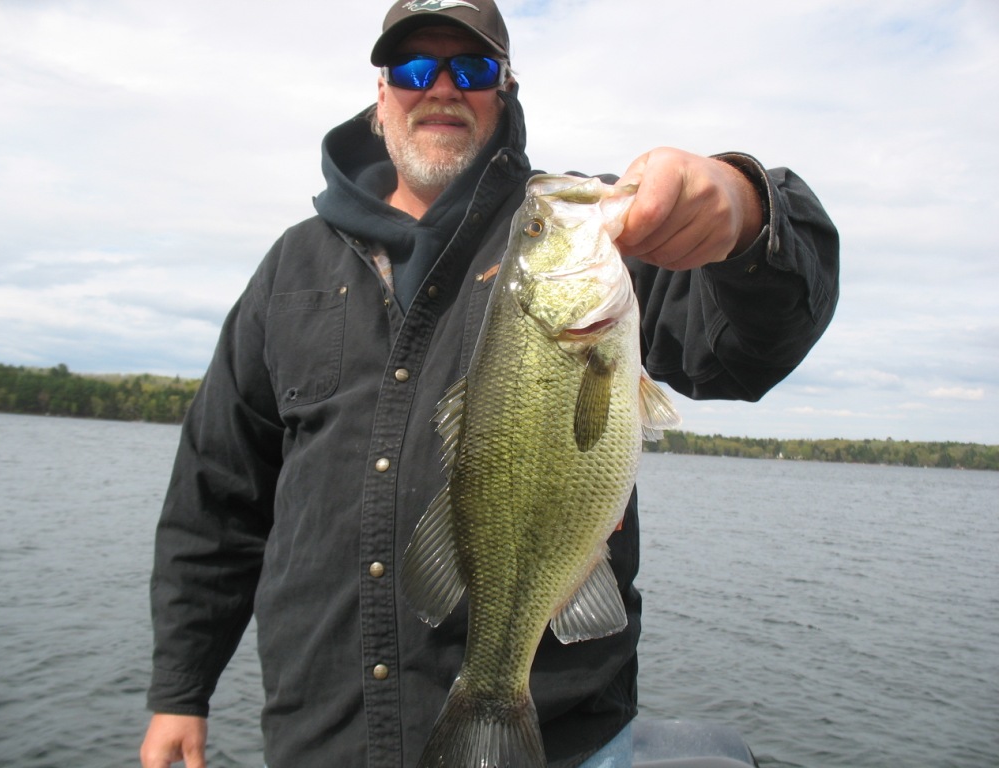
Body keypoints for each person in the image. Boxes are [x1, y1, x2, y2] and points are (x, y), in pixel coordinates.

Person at [140, 1, 839, 767]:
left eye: (471, 68)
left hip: (558, 743)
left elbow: (746, 351)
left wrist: (743, 207)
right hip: (320, 740)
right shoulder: (292, 268)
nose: (441, 87)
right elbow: (217, 493)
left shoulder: (580, 224)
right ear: (381, 96)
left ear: (503, 89)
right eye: (413, 68)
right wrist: (181, 690)